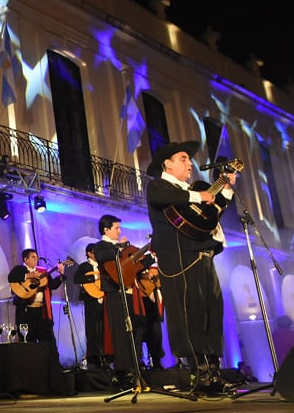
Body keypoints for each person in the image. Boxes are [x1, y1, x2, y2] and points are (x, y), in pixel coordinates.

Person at [145, 141, 237, 396]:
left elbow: (207, 215)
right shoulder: (159, 186)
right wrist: (199, 195)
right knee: (190, 312)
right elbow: (162, 196)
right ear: (168, 163)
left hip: (203, 256)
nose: (189, 164)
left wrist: (225, 190)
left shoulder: (189, 191)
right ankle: (199, 372)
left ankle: (214, 367)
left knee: (212, 311)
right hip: (180, 259)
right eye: (183, 158)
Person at [92, 214, 155, 389]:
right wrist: (120, 247)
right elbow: (104, 256)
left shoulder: (122, 248)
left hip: (129, 292)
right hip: (114, 293)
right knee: (119, 332)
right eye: (116, 228)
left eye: (120, 228)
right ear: (106, 230)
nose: (119, 231)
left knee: (134, 330)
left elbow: (136, 266)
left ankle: (135, 369)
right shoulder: (101, 246)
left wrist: (152, 256)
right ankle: (123, 371)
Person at [7, 248, 65, 344]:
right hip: (26, 312)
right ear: (26, 260)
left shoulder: (42, 272)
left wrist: (61, 273)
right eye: (33, 257)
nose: (36, 259)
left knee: (47, 341)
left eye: (37, 257)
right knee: (29, 341)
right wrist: (29, 276)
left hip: (42, 311)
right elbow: (11, 277)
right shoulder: (20, 269)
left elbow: (53, 285)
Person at [73, 243, 108, 370]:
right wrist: (94, 278)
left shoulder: (103, 266)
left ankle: (106, 357)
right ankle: (94, 358)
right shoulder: (84, 266)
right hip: (91, 300)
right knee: (93, 329)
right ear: (89, 253)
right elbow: (77, 279)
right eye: (95, 252)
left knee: (104, 329)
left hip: (104, 299)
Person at [136, 265, 165, 370]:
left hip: (154, 304)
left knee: (156, 333)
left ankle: (156, 361)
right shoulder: (138, 268)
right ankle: (139, 362)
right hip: (142, 303)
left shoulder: (155, 269)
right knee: (141, 334)